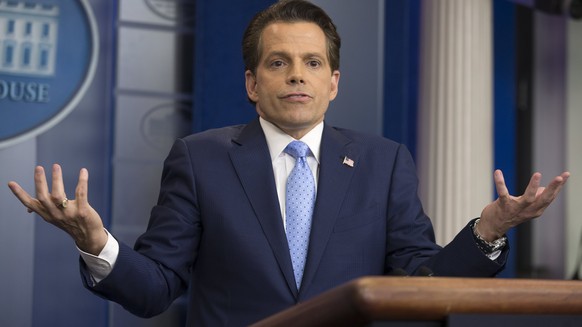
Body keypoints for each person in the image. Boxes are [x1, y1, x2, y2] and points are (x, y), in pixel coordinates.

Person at [7, 0, 570, 326]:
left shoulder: (384, 162)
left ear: (333, 82)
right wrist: (95, 241)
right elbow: (155, 290)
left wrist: (489, 231)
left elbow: (422, 283)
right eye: (278, 62)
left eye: (312, 62)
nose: (297, 74)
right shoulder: (200, 159)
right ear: (253, 84)